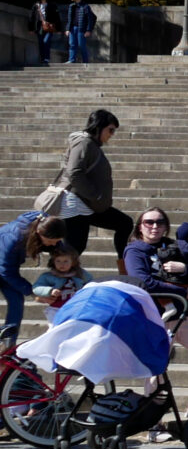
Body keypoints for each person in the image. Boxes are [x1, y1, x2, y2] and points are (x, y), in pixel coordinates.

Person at [124, 208, 188, 422]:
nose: (154, 226)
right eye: (149, 222)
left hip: (184, 316)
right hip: (155, 317)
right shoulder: (134, 251)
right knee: (155, 370)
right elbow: (142, 282)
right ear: (139, 226)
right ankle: (152, 424)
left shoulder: (173, 245)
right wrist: (182, 291)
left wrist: (185, 268)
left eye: (160, 222)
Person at [51, 110, 133, 264]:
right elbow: (74, 172)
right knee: (73, 249)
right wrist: (95, 195)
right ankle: (57, 282)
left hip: (88, 204)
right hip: (76, 205)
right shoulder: (83, 142)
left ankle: (125, 266)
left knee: (124, 223)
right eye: (110, 129)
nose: (112, 134)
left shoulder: (91, 145)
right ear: (98, 126)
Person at [1, 212, 65, 336]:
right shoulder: (13, 237)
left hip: (6, 266)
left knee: (16, 300)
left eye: (57, 241)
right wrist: (33, 292)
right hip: (4, 267)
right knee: (16, 296)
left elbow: (61, 251)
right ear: (39, 233)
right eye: (51, 241)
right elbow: (6, 271)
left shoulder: (46, 224)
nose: (53, 244)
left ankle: (7, 343)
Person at [32, 245, 90, 325]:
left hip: (75, 307)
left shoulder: (80, 274)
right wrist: (50, 291)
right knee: (55, 328)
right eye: (58, 261)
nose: (61, 264)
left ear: (73, 262)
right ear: (53, 262)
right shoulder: (48, 276)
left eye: (66, 261)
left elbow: (91, 283)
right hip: (56, 307)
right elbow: (36, 287)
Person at [64, 0, 95, 64]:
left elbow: (91, 19)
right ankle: (72, 60)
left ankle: (85, 61)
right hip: (72, 28)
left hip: (81, 29)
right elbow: (69, 19)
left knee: (81, 45)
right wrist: (67, 29)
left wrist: (88, 30)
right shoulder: (71, 6)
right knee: (72, 44)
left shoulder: (85, 6)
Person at [31, 0, 59, 66]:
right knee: (40, 43)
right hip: (39, 26)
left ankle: (46, 58)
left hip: (49, 26)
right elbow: (32, 17)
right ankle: (42, 59)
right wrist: (31, 28)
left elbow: (57, 17)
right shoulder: (36, 5)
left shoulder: (52, 5)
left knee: (46, 41)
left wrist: (58, 28)